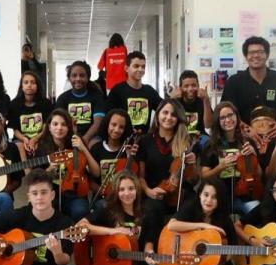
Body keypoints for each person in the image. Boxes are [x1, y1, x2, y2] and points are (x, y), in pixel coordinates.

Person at [137, 99, 199, 252]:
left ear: (178, 118)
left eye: (173, 114)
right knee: (153, 208)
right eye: (165, 112)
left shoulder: (186, 141)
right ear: (157, 115)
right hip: (154, 192)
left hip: (181, 192)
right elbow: (140, 175)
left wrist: (192, 164)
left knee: (194, 205)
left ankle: (187, 251)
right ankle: (150, 249)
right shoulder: (145, 141)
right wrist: (148, 191)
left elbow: (194, 179)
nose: (168, 117)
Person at [29, 109, 99, 221]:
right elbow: (35, 179)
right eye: (55, 124)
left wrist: (83, 149)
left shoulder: (77, 143)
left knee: (80, 211)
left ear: (69, 127)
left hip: (76, 194)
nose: (59, 128)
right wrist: (48, 170)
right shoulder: (42, 148)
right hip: (52, 194)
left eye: (64, 124)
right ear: (49, 127)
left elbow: (96, 173)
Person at [201, 101, 260, 216]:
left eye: (230, 115)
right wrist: (220, 167)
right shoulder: (211, 145)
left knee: (259, 212)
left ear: (236, 117)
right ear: (217, 121)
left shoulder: (247, 141)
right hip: (219, 196)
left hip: (244, 195)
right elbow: (203, 176)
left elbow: (258, 174)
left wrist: (254, 156)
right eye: (222, 117)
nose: (227, 120)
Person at [221, 36, 276, 127]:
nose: (256, 55)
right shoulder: (233, 82)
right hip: (243, 136)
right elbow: (226, 113)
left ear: (267, 55)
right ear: (246, 56)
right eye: (251, 52)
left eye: (260, 52)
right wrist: (246, 129)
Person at [88, 109, 137, 208]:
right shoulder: (96, 149)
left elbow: (134, 178)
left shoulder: (129, 149)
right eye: (113, 125)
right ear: (107, 124)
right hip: (102, 198)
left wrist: (129, 157)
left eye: (121, 127)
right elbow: (90, 179)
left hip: (125, 197)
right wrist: (103, 191)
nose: (116, 129)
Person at [107, 51, 163, 134]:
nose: (140, 69)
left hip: (144, 139)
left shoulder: (149, 91)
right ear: (126, 68)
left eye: (143, 67)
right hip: (122, 138)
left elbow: (163, 108)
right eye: (136, 66)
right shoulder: (117, 90)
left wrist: (172, 98)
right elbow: (108, 116)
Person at [56, 61, 106, 146]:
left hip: (91, 137)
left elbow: (98, 122)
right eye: (74, 75)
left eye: (82, 75)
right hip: (69, 137)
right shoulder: (62, 98)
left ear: (88, 77)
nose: (78, 79)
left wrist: (84, 140)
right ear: (69, 78)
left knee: (95, 145)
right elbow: (59, 124)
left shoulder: (97, 96)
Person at [9, 71, 53, 152]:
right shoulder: (14, 104)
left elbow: (46, 127)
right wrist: (24, 139)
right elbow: (15, 130)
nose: (29, 85)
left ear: (37, 86)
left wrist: (35, 139)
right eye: (26, 82)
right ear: (21, 86)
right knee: (18, 147)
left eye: (33, 82)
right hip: (21, 139)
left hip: (41, 137)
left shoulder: (46, 103)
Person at [169, 70, 213, 148]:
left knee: (211, 144)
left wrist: (206, 99)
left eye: (194, 85)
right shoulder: (176, 101)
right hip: (179, 136)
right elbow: (164, 121)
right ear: (180, 88)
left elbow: (208, 125)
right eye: (186, 86)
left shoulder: (202, 101)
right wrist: (171, 99)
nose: (190, 89)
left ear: (198, 86)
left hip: (200, 136)